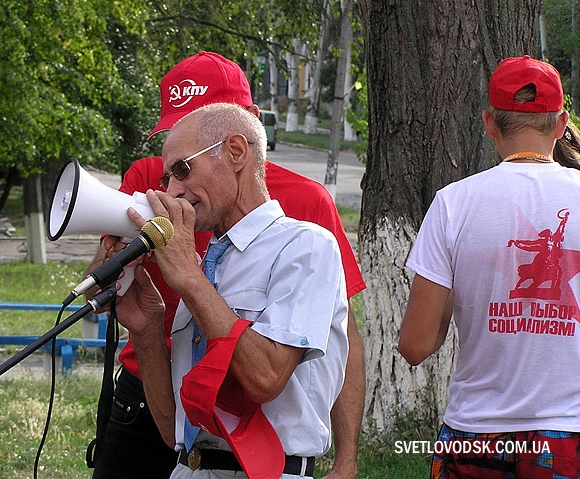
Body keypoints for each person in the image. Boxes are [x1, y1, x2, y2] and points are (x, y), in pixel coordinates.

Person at [86, 51, 366, 479]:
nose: (171, 190)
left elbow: (269, 378)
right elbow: (174, 431)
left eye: (182, 168)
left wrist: (190, 281)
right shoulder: (204, 260)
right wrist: (144, 328)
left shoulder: (306, 239)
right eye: (167, 176)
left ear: (237, 146)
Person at [398, 55, 580, 478]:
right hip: (569, 431)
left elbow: (415, 345)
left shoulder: (454, 203)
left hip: (475, 435)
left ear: (489, 123)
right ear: (560, 123)